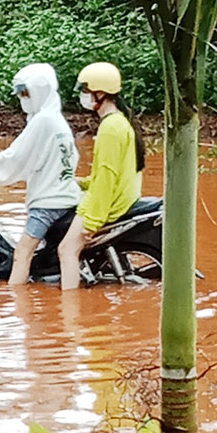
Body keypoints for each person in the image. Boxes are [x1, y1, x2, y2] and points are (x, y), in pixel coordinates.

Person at [0, 63, 80, 286]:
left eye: (26, 92)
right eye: (20, 93)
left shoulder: (43, 122)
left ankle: (19, 309)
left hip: (48, 204)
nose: (22, 97)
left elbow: (13, 161)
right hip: (66, 197)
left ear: (40, 90)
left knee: (22, 254)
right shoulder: (55, 119)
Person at [57, 61, 145, 290]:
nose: (83, 96)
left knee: (66, 251)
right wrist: (82, 183)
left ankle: (69, 312)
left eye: (86, 91)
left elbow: (107, 177)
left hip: (108, 204)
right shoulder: (120, 123)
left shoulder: (110, 128)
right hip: (121, 199)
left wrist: (93, 222)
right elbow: (107, 174)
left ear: (101, 93)